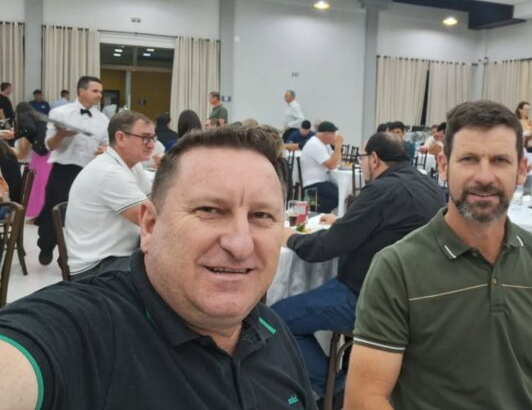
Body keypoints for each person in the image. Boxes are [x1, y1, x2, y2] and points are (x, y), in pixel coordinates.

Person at [345, 100, 532, 409]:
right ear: (444, 166)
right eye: (469, 159)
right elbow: (365, 398)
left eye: (500, 160)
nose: (484, 177)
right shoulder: (397, 268)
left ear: (521, 170)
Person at [0, 125, 316, 409]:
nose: (241, 244)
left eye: (261, 216)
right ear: (150, 225)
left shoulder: (272, 330)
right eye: (209, 210)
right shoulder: (86, 331)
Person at [273, 133, 445, 404]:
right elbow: (389, 226)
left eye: (362, 158)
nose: (361, 164)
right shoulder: (429, 186)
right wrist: (345, 222)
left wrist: (290, 238)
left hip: (370, 299)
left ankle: (338, 390)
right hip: (418, 299)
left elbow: (324, 248)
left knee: (276, 320)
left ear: (374, 159)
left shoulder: (381, 190)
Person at [64, 111, 155, 280]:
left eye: (152, 138)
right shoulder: (109, 172)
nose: (151, 145)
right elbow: (150, 220)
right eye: (145, 138)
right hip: (96, 268)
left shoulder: (132, 165)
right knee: (169, 269)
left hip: (118, 256)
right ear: (120, 138)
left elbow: (154, 201)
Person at [35, 76, 109, 265]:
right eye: (95, 91)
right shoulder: (60, 113)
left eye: (100, 92)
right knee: (52, 211)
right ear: (81, 91)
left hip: (88, 173)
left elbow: (106, 145)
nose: (99, 95)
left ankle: (67, 256)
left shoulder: (103, 120)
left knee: (81, 216)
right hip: (63, 171)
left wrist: (105, 150)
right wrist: (61, 134)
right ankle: (46, 246)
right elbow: (50, 146)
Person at [13, 102, 51, 218]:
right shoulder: (40, 122)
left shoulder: (27, 129)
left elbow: (21, 154)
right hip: (46, 157)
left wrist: (5, 148)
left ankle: (38, 216)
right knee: (42, 189)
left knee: (37, 189)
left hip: (34, 161)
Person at [299, 121, 343, 213]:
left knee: (339, 195)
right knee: (340, 196)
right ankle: (318, 213)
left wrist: (336, 149)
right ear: (326, 134)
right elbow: (331, 165)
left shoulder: (324, 145)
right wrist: (338, 146)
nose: (335, 136)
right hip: (313, 184)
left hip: (321, 182)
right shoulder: (314, 144)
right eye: (334, 133)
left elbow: (336, 161)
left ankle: (319, 213)